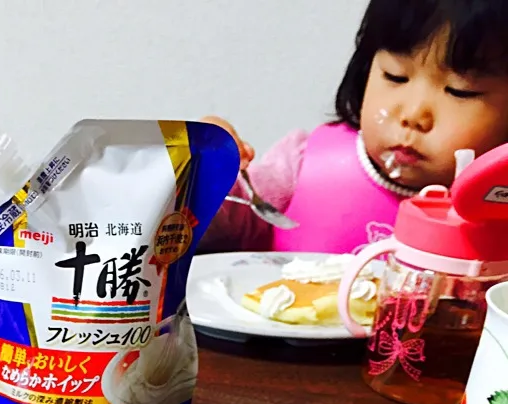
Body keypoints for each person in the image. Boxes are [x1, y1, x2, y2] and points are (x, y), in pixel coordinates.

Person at [201, 0, 508, 254]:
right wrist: (204, 171)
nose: (413, 114)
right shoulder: (302, 164)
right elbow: (205, 225)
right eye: (395, 76)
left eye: (460, 91)